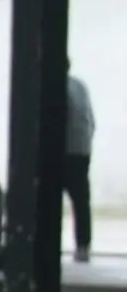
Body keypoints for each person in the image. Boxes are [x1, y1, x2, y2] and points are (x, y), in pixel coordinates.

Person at [67, 60, 95, 264]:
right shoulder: (80, 86)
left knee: (45, 201)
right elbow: (91, 121)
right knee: (81, 201)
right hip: (82, 149)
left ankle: (40, 246)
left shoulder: (53, 88)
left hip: (63, 151)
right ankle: (83, 246)